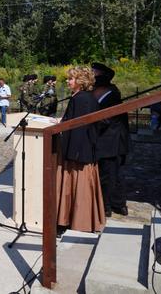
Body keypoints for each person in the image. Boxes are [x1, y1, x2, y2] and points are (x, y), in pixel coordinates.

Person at [56, 66, 105, 234]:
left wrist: (73, 154)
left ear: (80, 81)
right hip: (81, 150)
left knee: (78, 186)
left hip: (78, 153)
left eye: (71, 79)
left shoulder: (81, 99)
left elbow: (80, 128)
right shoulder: (84, 97)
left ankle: (77, 220)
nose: (68, 81)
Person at [91, 63, 129, 217]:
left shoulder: (111, 94)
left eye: (95, 73)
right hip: (106, 139)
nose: (93, 76)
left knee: (110, 174)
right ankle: (116, 204)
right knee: (110, 173)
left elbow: (106, 119)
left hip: (111, 140)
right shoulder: (101, 92)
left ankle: (109, 205)